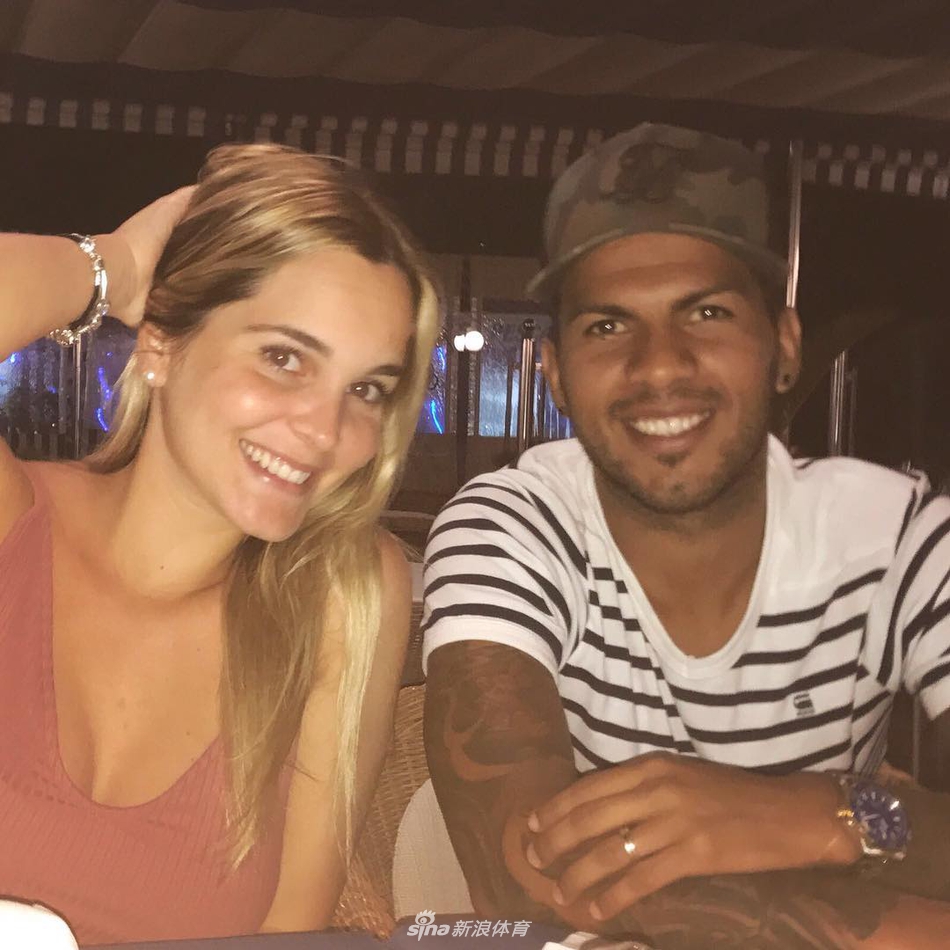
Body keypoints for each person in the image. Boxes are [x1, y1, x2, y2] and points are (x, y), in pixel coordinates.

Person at [422, 123, 950, 948]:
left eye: (706, 312)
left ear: (783, 348)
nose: (660, 364)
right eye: (607, 327)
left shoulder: (900, 538)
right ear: (555, 374)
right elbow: (517, 868)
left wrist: (818, 813)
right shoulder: (513, 526)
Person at [0, 143, 439, 944]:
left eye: (366, 389)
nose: (326, 431)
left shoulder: (338, 596)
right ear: (161, 343)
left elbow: (291, 929)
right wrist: (116, 267)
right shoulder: (14, 524)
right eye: (284, 358)